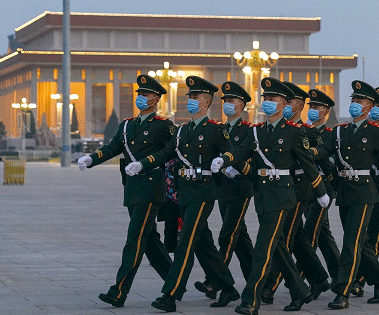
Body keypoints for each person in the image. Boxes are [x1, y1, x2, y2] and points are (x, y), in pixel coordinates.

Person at [211, 77, 329, 315]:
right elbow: (241, 151)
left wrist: (321, 192)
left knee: (263, 247)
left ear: (284, 103)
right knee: (279, 247)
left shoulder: (294, 133)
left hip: (284, 196)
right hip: (263, 195)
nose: (267, 102)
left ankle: (250, 300)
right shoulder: (256, 132)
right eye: (265, 98)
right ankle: (300, 290)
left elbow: (308, 165)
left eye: (272, 99)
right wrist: (224, 159)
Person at [127, 76, 239, 312]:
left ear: (207, 102)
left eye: (195, 97)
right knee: (204, 244)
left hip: (204, 192)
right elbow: (165, 154)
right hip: (185, 192)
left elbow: (231, 152)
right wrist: (143, 164)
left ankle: (170, 295)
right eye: (189, 97)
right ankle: (228, 287)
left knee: (185, 242)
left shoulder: (216, 130)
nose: (190, 101)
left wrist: (223, 160)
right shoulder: (181, 131)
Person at [310, 80, 379, 310]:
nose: (355, 104)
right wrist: (308, 152)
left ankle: (343, 291)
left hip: (365, 193)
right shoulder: (339, 131)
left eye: (359, 101)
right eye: (353, 100)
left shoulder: (376, 133)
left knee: (351, 242)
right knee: (359, 242)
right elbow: (324, 150)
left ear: (369, 107)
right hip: (345, 192)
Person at [76, 74, 175, 308]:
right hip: (132, 190)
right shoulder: (128, 125)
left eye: (146, 95)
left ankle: (118, 291)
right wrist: (91, 159)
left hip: (151, 188)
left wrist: (145, 163)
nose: (141, 98)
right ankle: (175, 282)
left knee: (135, 239)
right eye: (139, 94)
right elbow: (112, 148)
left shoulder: (163, 126)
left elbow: (170, 152)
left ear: (156, 99)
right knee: (150, 240)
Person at [261, 82, 331, 304]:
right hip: (280, 191)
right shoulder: (273, 130)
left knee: (284, 238)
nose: (282, 106)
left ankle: (271, 286)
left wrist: (321, 189)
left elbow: (323, 157)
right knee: (296, 238)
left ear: (298, 106)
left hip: (300, 190)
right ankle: (318, 278)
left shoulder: (306, 131)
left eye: (288, 102)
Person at [195, 81, 254, 300]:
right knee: (241, 239)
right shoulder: (219, 128)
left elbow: (247, 156)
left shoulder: (248, 130)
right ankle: (258, 282)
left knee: (227, 235)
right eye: (225, 101)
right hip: (222, 188)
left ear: (241, 105)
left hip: (240, 187)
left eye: (231, 101)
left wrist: (235, 168)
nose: (227, 105)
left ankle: (215, 282)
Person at [301, 88, 341, 296]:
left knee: (309, 235)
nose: (312, 110)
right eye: (311, 107)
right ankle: (340, 275)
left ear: (325, 111)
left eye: (316, 107)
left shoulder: (331, 135)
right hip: (305, 187)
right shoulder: (303, 131)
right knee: (323, 234)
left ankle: (304, 279)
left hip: (323, 189)